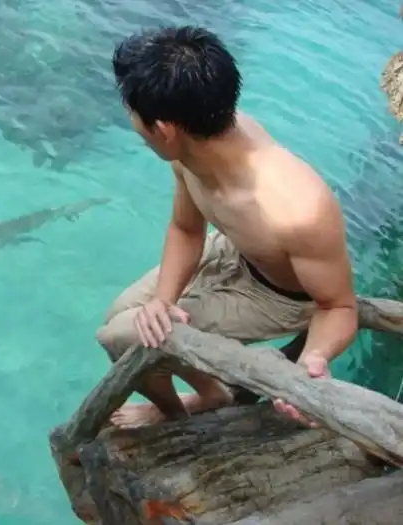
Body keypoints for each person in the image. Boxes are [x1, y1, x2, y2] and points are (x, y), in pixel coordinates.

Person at [96, 25, 358, 429]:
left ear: (164, 130)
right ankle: (210, 393)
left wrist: (311, 363)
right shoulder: (195, 141)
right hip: (233, 246)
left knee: (120, 337)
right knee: (118, 316)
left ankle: (178, 416)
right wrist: (164, 300)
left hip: (277, 295)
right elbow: (186, 229)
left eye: (133, 113)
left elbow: (339, 306)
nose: (132, 123)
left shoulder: (299, 209)